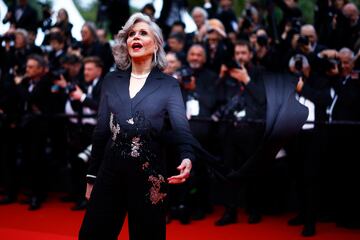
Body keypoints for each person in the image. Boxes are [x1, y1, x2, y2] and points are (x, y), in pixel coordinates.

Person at [79, 13, 195, 240]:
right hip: (110, 172)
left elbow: (181, 127)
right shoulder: (112, 80)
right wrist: (92, 175)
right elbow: (102, 130)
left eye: (143, 33)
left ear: (156, 44)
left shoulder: (169, 85)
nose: (135, 37)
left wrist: (187, 156)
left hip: (150, 175)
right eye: (131, 34)